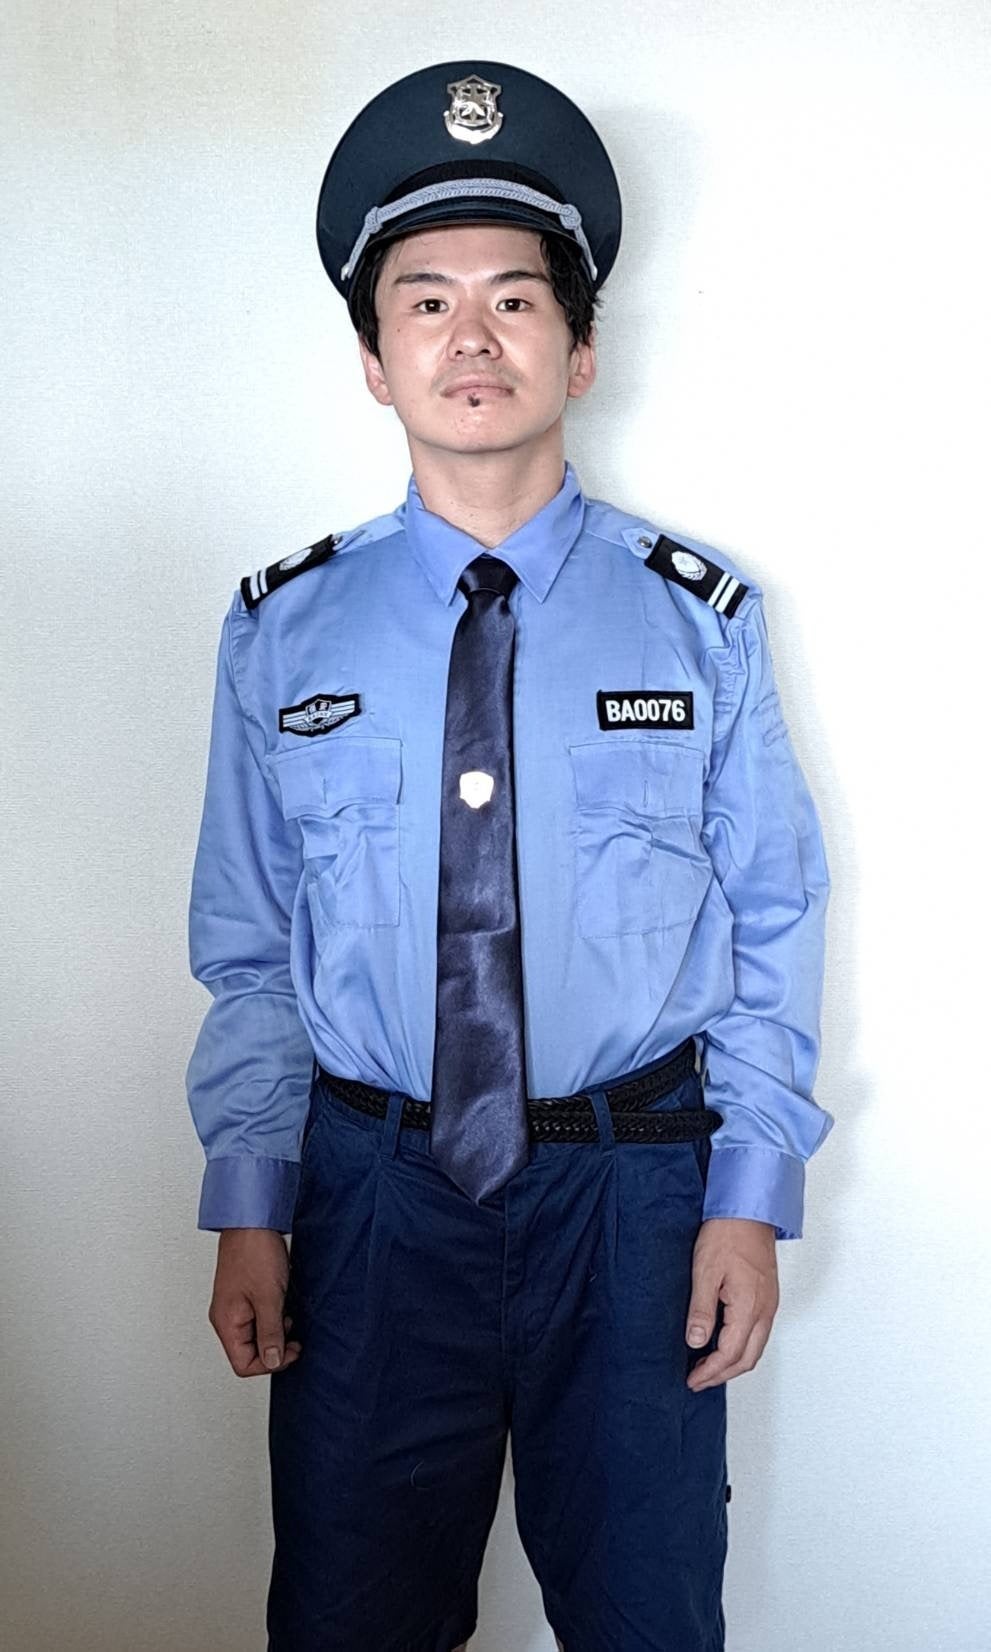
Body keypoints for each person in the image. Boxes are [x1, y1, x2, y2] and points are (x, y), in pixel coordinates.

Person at [184, 58, 835, 1652]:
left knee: (647, 1617)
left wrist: (749, 1193)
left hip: (634, 1200)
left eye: (514, 299)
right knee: (349, 1618)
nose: (471, 336)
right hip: (370, 1199)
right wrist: (251, 1198)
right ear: (374, 359)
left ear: (581, 348)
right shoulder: (283, 632)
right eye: (426, 302)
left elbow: (774, 907)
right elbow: (250, 942)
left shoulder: (699, 621)